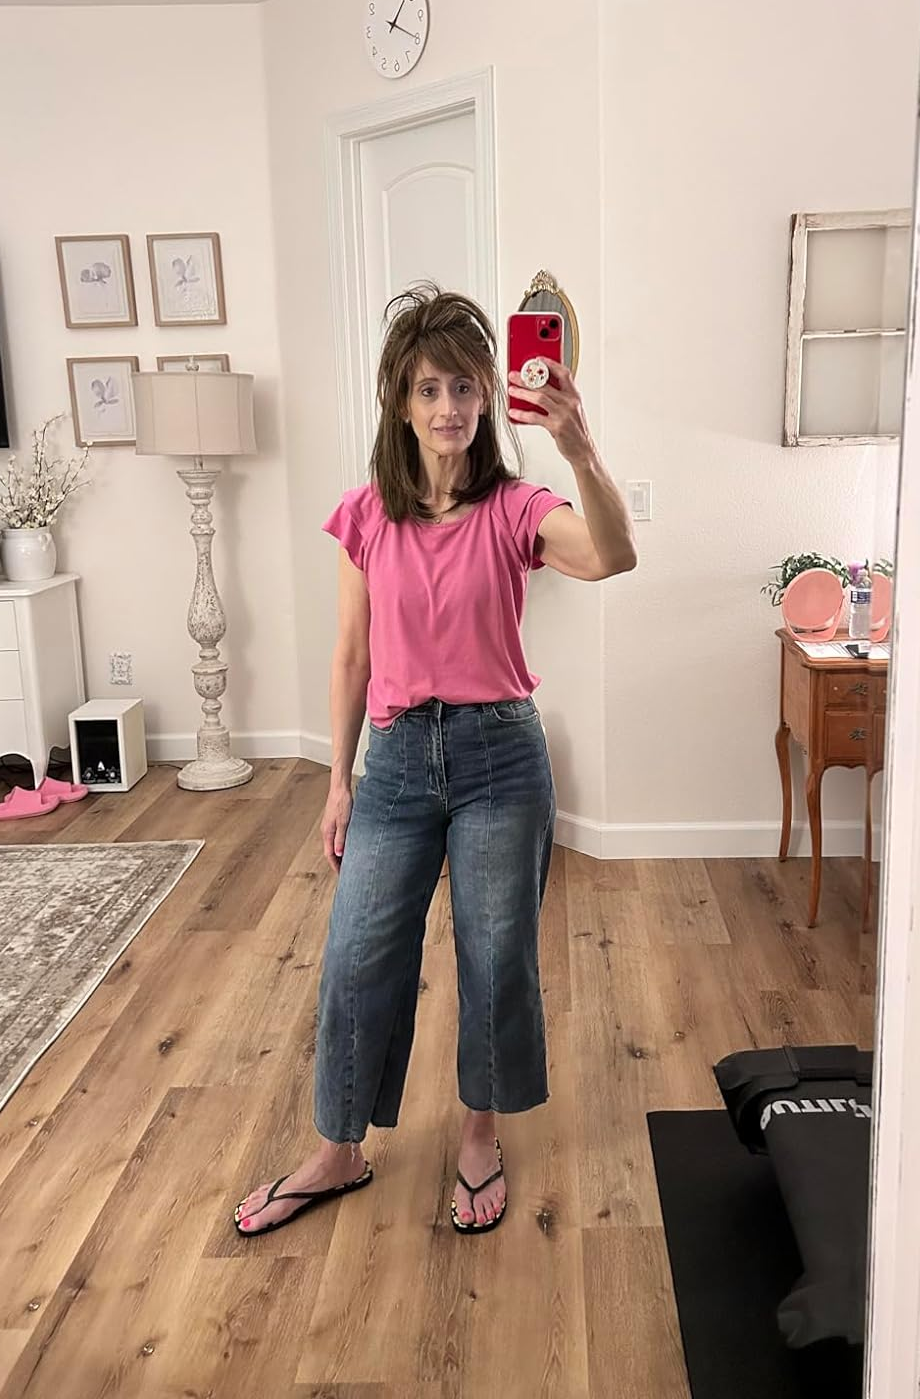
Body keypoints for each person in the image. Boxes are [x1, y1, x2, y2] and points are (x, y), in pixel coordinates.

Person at [234, 285, 636, 1238]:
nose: (450, 407)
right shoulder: (367, 514)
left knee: (495, 958)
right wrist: (337, 781)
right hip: (398, 763)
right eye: (429, 389)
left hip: (502, 757)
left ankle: (480, 1135)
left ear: (489, 394)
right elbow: (350, 656)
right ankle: (337, 1150)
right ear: (401, 403)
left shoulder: (517, 508)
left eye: (465, 386)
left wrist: (581, 448)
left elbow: (614, 556)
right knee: (357, 956)